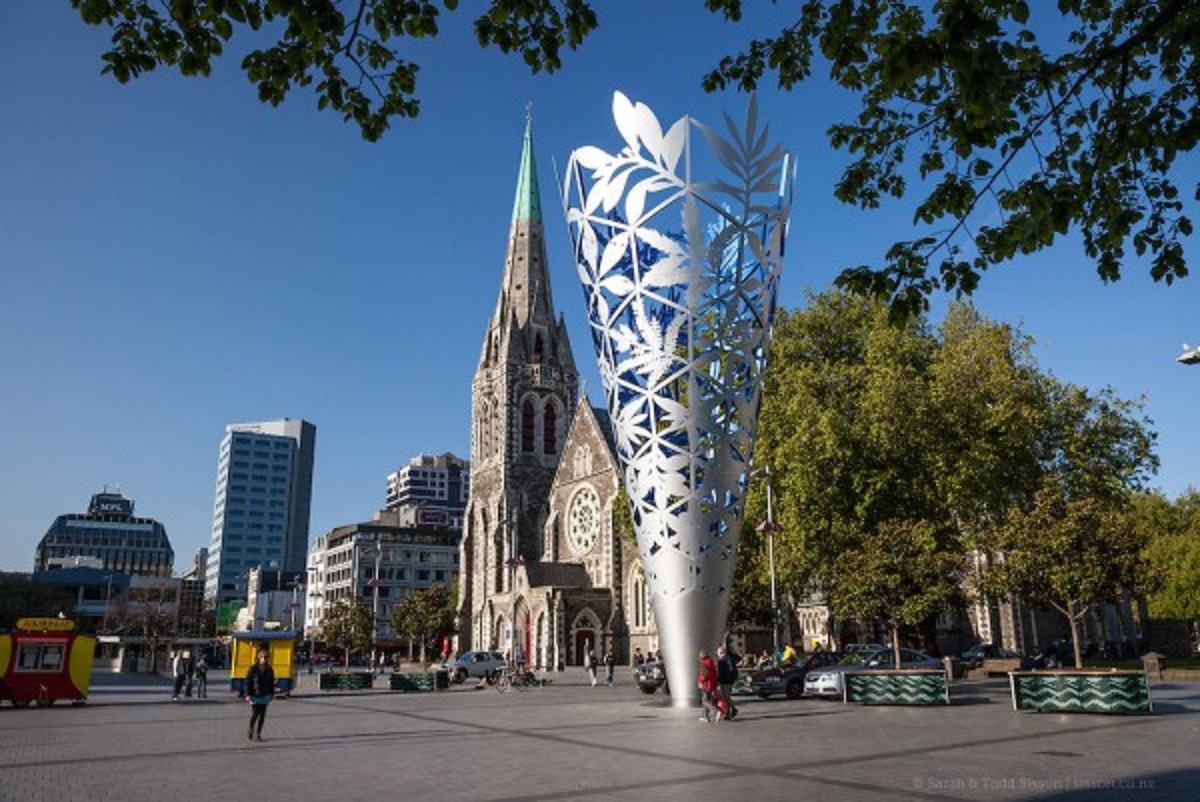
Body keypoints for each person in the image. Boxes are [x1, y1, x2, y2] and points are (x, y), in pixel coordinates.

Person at [245, 649, 276, 742]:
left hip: (265, 695)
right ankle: (251, 729)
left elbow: (271, 683)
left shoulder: (270, 669)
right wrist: (247, 694)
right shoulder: (252, 668)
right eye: (263, 657)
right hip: (255, 695)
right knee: (255, 714)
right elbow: (248, 682)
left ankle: (258, 734)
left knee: (262, 716)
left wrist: (272, 694)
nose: (264, 659)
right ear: (258, 658)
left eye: (266, 657)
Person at [716, 646, 740, 721]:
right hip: (729, 680)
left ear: (722, 653)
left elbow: (721, 672)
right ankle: (728, 714)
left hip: (725, 681)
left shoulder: (723, 660)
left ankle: (733, 709)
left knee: (725, 697)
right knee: (726, 697)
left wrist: (718, 679)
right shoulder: (728, 659)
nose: (717, 654)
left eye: (719, 652)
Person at [697, 650, 720, 723]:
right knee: (707, 699)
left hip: (706, 685)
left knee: (704, 701)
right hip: (711, 684)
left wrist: (700, 680)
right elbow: (714, 673)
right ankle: (705, 716)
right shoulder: (711, 661)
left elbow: (705, 675)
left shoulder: (703, 663)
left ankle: (715, 710)